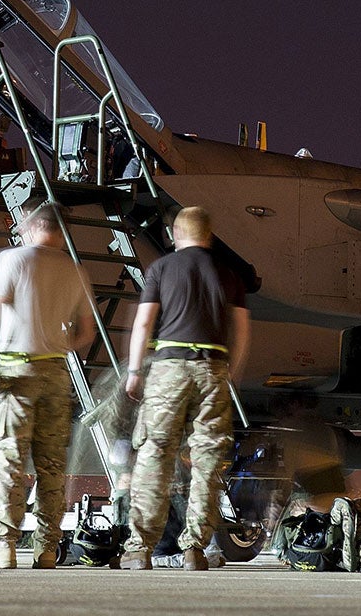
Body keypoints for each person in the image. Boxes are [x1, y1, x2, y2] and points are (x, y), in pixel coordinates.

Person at [117, 205, 250, 570]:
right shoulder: (229, 273)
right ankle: (195, 547)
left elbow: (144, 323)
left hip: (169, 369)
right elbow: (240, 331)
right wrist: (229, 374)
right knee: (207, 461)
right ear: (209, 235)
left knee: (154, 456)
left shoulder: (161, 268)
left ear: (175, 235)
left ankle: (140, 548)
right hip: (213, 367)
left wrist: (133, 371)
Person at [0, 201, 94, 569]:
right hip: (55, 373)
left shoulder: (11, 259)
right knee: (51, 465)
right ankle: (47, 549)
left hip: (14, 372)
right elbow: (85, 332)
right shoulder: (76, 270)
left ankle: (3, 546)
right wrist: (54, 344)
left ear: (36, 225)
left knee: (9, 462)